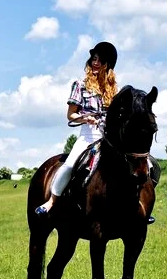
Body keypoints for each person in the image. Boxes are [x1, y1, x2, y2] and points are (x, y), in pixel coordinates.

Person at [36, 41, 125, 216]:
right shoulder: (80, 85)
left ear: (108, 65)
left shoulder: (115, 90)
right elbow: (71, 115)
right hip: (88, 136)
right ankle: (52, 201)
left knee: (132, 165)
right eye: (93, 59)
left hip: (110, 137)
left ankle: (135, 206)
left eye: (100, 60)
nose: (95, 62)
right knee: (69, 166)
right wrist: (84, 118)